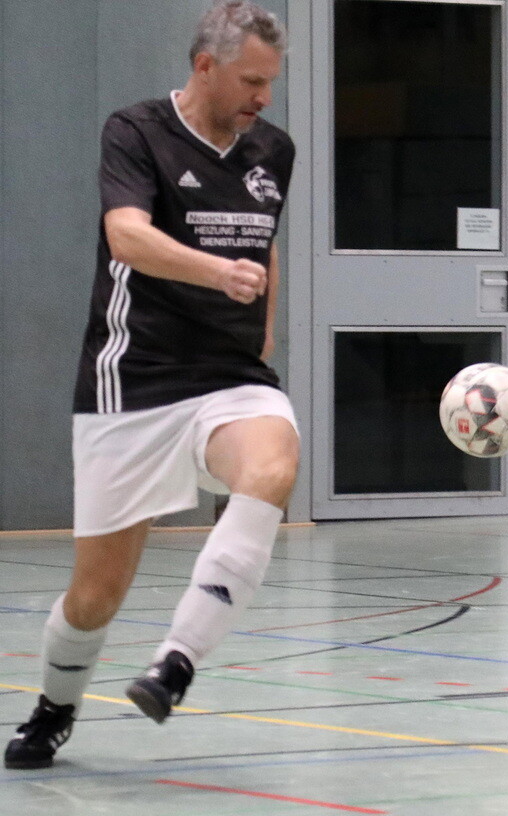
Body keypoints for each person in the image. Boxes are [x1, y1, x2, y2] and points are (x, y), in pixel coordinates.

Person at [5, 1, 295, 769]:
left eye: (270, 81)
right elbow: (126, 236)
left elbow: (267, 244)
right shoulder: (135, 131)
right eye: (251, 81)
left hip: (229, 377)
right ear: (205, 66)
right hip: (131, 382)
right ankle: (54, 708)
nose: (263, 97)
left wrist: (264, 320)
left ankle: (176, 663)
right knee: (94, 597)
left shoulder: (273, 150)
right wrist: (218, 273)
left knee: (272, 466)